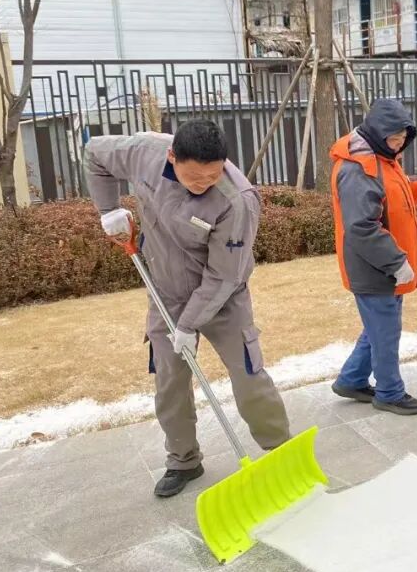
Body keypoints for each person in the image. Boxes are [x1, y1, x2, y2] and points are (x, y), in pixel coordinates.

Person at [84, 120, 291, 498]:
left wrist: (189, 324)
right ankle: (183, 460)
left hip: (224, 300)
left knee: (249, 376)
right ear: (171, 157)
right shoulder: (143, 153)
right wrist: (108, 209)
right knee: (170, 381)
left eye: (212, 175)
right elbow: (95, 153)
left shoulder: (236, 199)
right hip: (166, 293)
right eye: (194, 177)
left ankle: (281, 452)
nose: (203, 184)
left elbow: (223, 275)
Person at [329, 98, 417, 415]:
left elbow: (389, 197)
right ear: (379, 134)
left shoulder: (382, 158)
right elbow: (362, 227)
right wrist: (396, 262)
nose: (399, 145)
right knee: (385, 332)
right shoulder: (358, 168)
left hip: (387, 266)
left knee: (377, 328)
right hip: (375, 268)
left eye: (403, 139)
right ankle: (389, 393)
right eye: (394, 139)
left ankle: (351, 380)